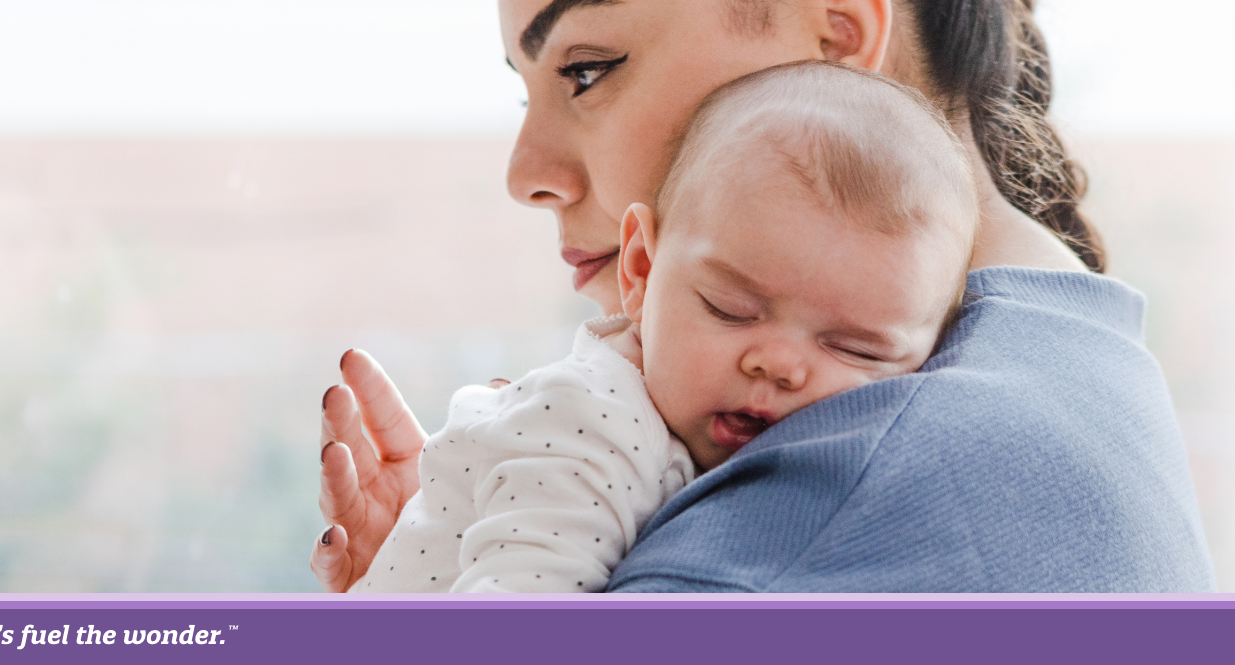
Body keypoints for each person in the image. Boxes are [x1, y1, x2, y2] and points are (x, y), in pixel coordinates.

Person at [311, 0, 1215, 592]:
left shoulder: (838, 492)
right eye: (525, 93)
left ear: (835, 35)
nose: (525, 174)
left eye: (588, 69)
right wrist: (457, 552)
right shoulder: (1080, 354)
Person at [351, 61, 979, 592]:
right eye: (730, 308)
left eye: (856, 348)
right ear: (642, 267)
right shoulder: (590, 431)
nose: (779, 364)